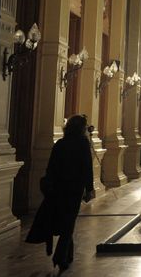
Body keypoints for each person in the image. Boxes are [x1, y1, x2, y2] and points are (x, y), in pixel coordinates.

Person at [26, 114, 94, 271]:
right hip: (74, 189)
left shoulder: (60, 144)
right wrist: (89, 188)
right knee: (69, 222)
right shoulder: (83, 144)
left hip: (58, 188)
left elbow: (51, 168)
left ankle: (68, 255)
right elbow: (87, 168)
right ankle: (60, 256)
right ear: (82, 129)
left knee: (65, 219)